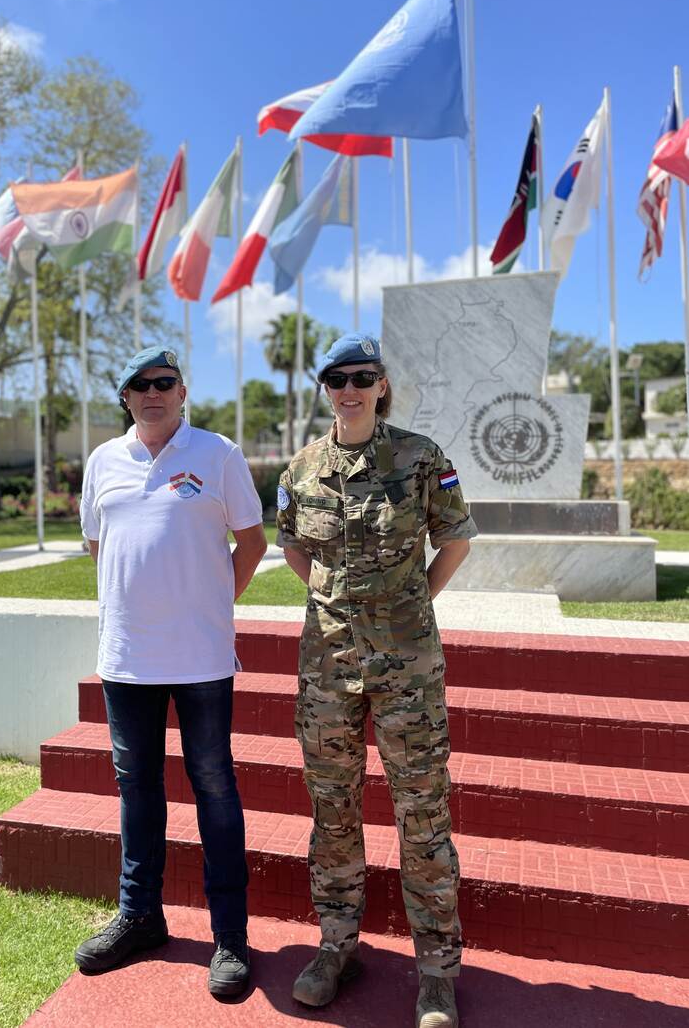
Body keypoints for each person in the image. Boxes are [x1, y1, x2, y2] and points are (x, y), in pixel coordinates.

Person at [276, 333, 476, 1028]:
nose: (350, 387)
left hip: (408, 672)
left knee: (423, 817)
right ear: (325, 386)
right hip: (328, 668)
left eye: (363, 375)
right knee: (333, 814)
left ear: (382, 384)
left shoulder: (421, 458)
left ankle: (438, 974)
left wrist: (411, 600)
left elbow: (455, 539)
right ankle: (336, 947)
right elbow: (294, 546)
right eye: (337, 377)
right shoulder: (301, 469)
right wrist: (341, 604)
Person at [75, 346, 267, 998]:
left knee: (214, 784)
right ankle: (140, 916)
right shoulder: (103, 462)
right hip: (127, 658)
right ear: (126, 397)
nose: (152, 392)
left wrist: (212, 603)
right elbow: (99, 548)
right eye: (140, 384)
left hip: (202, 657)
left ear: (183, 391)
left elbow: (254, 540)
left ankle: (231, 936)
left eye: (164, 381)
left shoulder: (218, 455)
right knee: (137, 788)